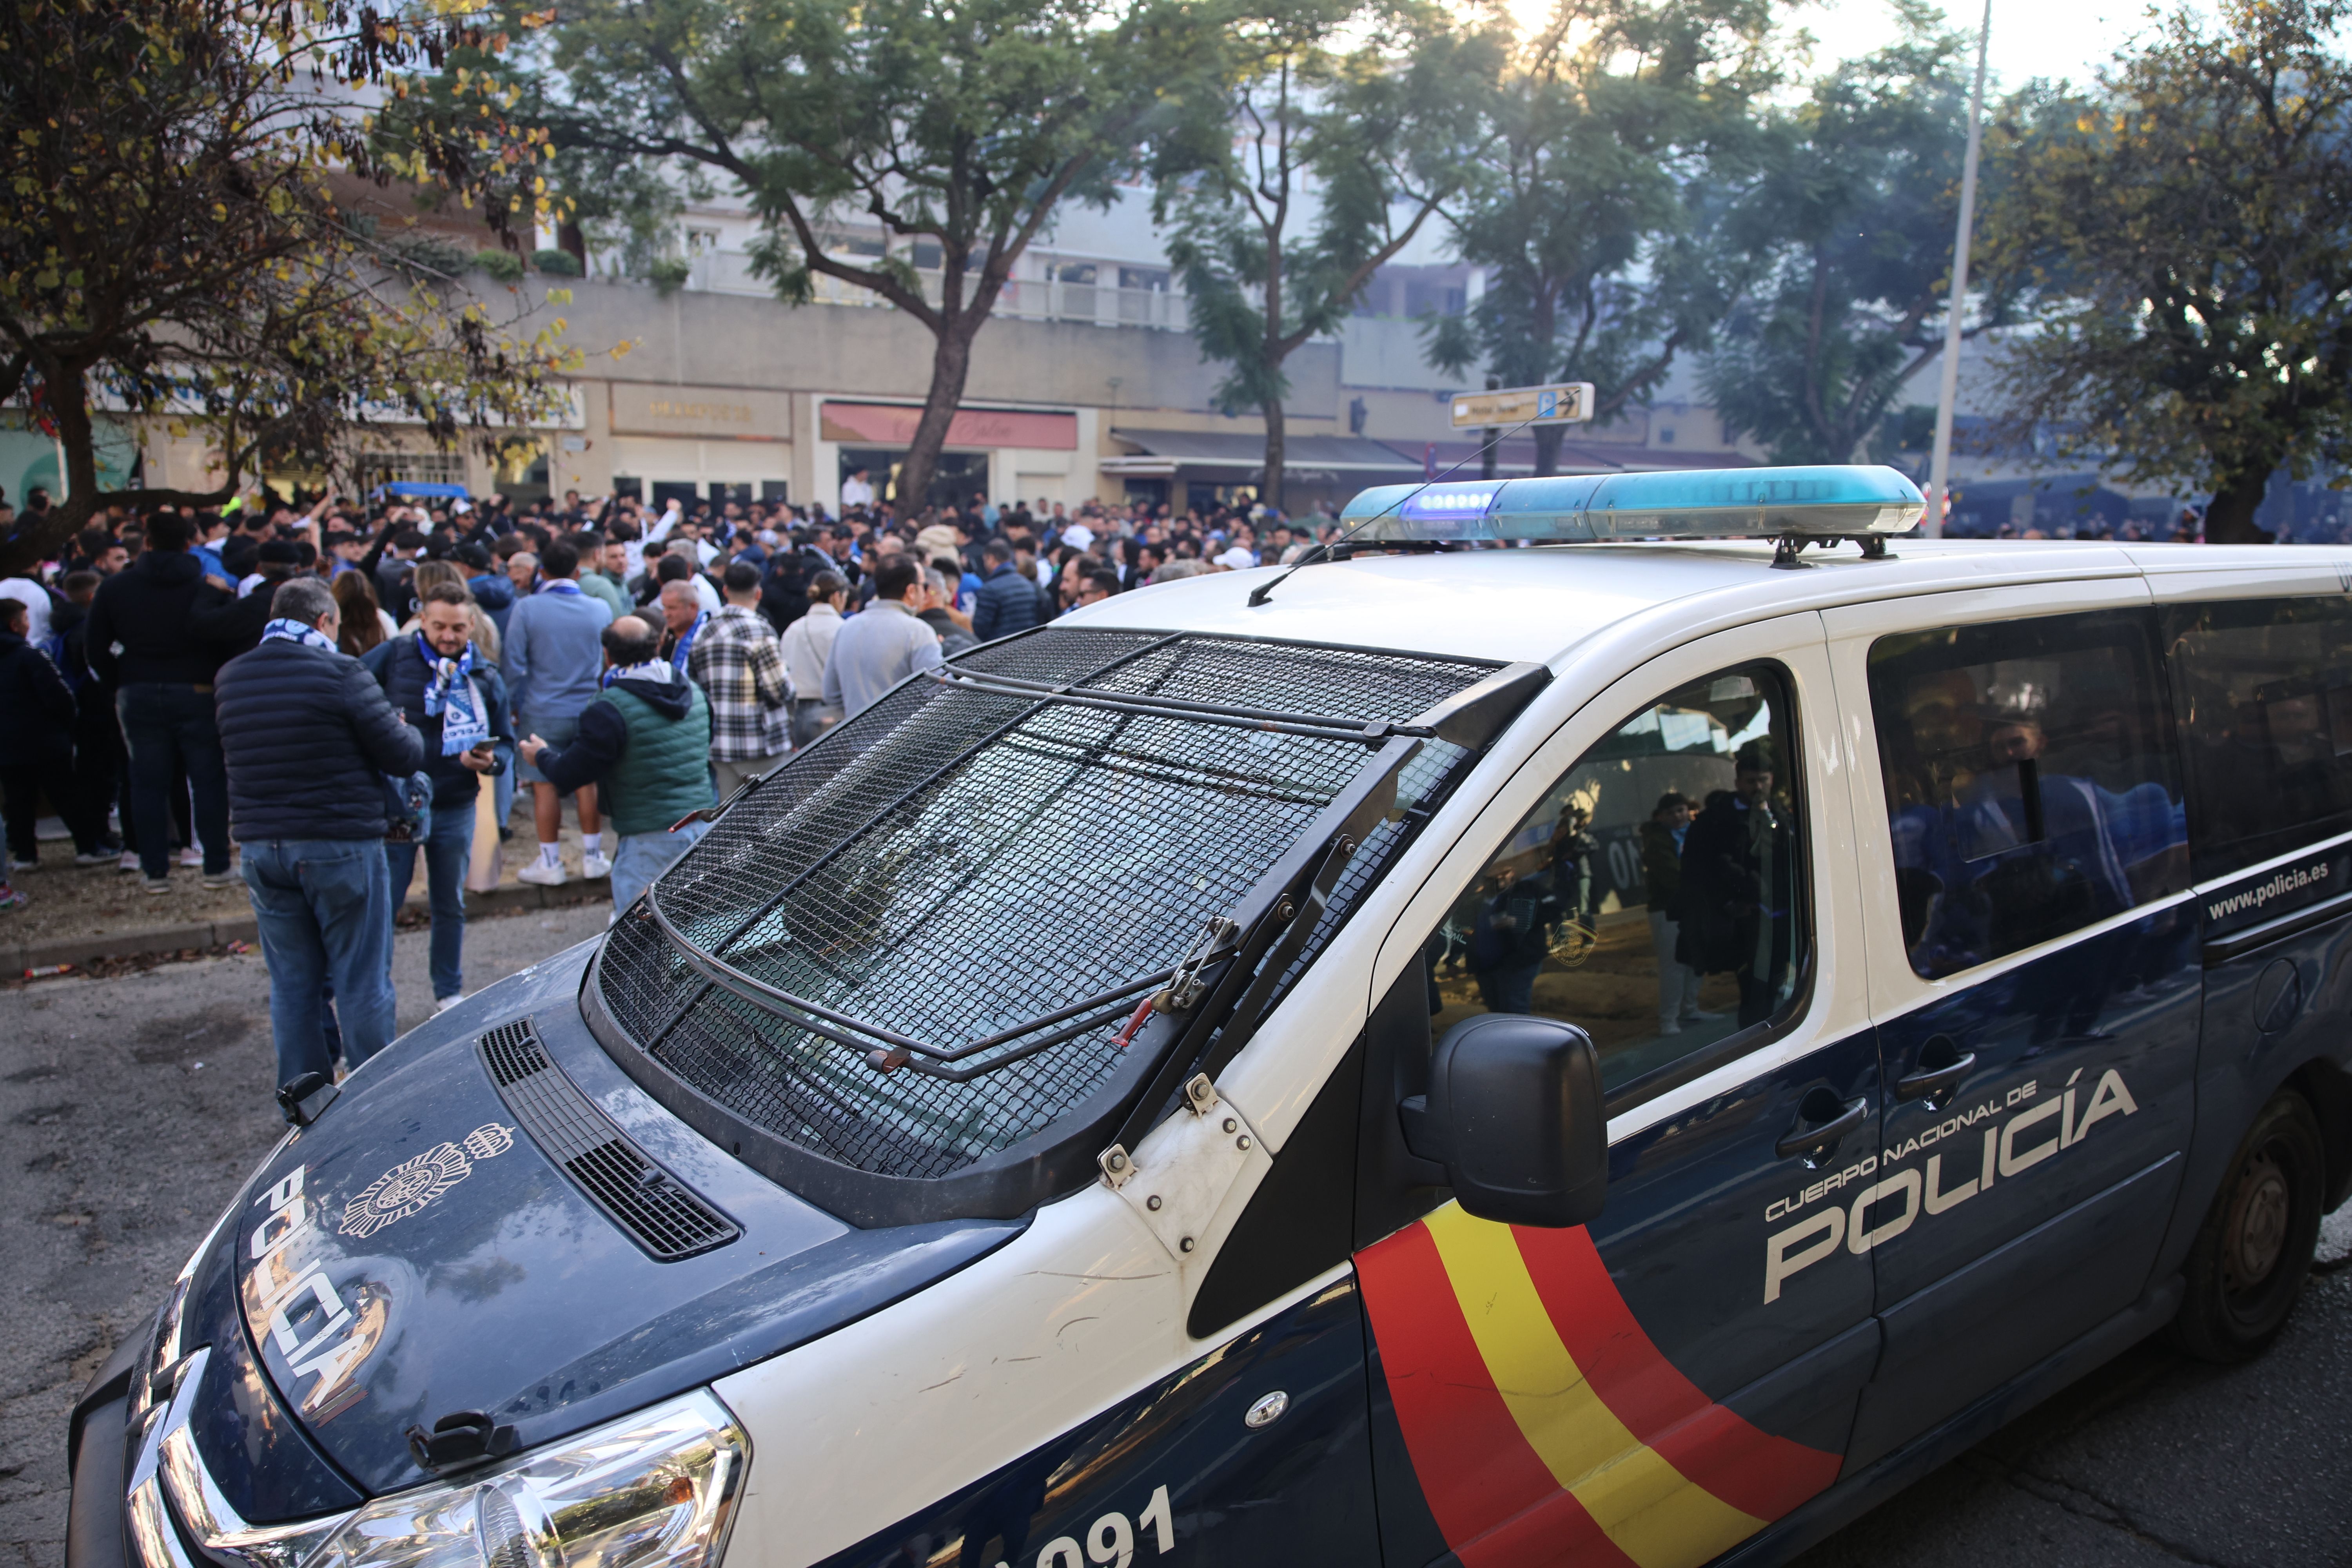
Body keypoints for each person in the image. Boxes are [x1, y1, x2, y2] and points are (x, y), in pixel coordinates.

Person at [214, 575, 425, 1098]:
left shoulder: (232, 676)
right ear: (325, 621)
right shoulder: (341, 672)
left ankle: (303, 1099)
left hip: (263, 846)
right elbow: (402, 754)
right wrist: (406, 726)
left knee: (292, 983)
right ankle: (374, 1094)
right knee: (362, 978)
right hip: (339, 843)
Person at [83, 510, 236, 891]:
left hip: (139, 688)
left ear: (147, 542)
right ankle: (216, 865)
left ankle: (155, 870)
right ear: (189, 544)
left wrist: (120, 680)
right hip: (197, 689)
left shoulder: (116, 589)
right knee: (208, 779)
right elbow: (222, 637)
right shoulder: (204, 588)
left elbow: (94, 647)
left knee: (146, 783)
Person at [519, 615, 713, 915]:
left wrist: (541, 755)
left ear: (607, 655)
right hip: (700, 829)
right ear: (658, 646)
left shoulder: (609, 707)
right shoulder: (695, 692)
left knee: (638, 943)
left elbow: (569, 774)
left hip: (647, 838)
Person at [377, 582, 512, 1012]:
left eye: (457, 627)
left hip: (455, 801)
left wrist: (489, 763)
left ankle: (448, 992)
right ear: (422, 621)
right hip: (398, 805)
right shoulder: (393, 657)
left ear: (472, 624)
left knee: (449, 901)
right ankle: (374, 993)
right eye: (438, 626)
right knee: (386, 904)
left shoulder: (486, 675)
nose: (449, 636)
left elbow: (506, 745)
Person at [503, 537, 613, 886]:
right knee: (587, 781)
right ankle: (594, 857)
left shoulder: (528, 608)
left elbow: (513, 665)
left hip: (541, 708)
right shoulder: (600, 609)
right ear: (577, 571)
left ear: (541, 571)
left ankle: (550, 862)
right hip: (588, 707)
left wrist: (511, 706)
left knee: (543, 785)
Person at [1677, 740, 1795, 1027]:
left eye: (1762, 781)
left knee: (1775, 985)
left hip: (1780, 914)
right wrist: (1730, 902)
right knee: (1755, 991)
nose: (1757, 787)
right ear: (1738, 782)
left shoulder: (1780, 815)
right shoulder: (1716, 820)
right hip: (1744, 919)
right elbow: (1701, 869)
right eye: (1750, 781)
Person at [0, 597, 108, 873]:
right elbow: (60, 697)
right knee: (67, 795)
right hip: (44, 740)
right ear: (14, 625)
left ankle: (25, 855)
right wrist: (66, 727)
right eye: (25, 620)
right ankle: (88, 847)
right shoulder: (30, 656)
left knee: (18, 801)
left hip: (8, 746)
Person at [689, 560, 794, 797]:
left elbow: (695, 684)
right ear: (758, 593)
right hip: (760, 743)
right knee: (772, 818)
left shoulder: (704, 632)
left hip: (719, 742)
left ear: (725, 591)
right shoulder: (759, 630)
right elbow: (780, 690)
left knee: (731, 823)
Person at [824, 557, 944, 720]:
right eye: (924, 586)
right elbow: (939, 691)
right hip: (905, 739)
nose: (925, 593)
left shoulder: (846, 628)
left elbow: (831, 693)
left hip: (856, 738)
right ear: (911, 591)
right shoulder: (917, 631)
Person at [1639, 792, 1710, 1034]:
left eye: (1681, 810)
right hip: (1667, 910)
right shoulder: (1656, 841)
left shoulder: (1696, 834)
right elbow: (1672, 877)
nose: (1678, 816)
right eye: (1671, 813)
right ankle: (1668, 1019)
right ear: (1660, 817)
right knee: (1674, 964)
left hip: (1696, 906)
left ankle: (1690, 1009)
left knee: (1696, 959)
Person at [1462, 862, 1563, 1014]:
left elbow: (1554, 908)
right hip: (1485, 967)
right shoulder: (1475, 900)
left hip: (1519, 961)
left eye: (1506, 871)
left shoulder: (1526, 889)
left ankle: (1520, 1038)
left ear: (1513, 872)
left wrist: (1520, 920)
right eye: (1495, 872)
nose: (1501, 876)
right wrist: (1453, 958)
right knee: (1496, 1009)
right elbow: (1464, 929)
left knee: (1515, 1008)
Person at [780, 570, 847, 747]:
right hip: (832, 713)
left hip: (798, 712)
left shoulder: (793, 629)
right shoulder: (843, 629)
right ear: (837, 597)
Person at [971, 538, 1043, 642]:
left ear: (991, 559)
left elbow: (980, 629)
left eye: (985, 560)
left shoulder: (989, 589)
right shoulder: (1028, 585)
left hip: (1000, 650)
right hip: (1027, 646)